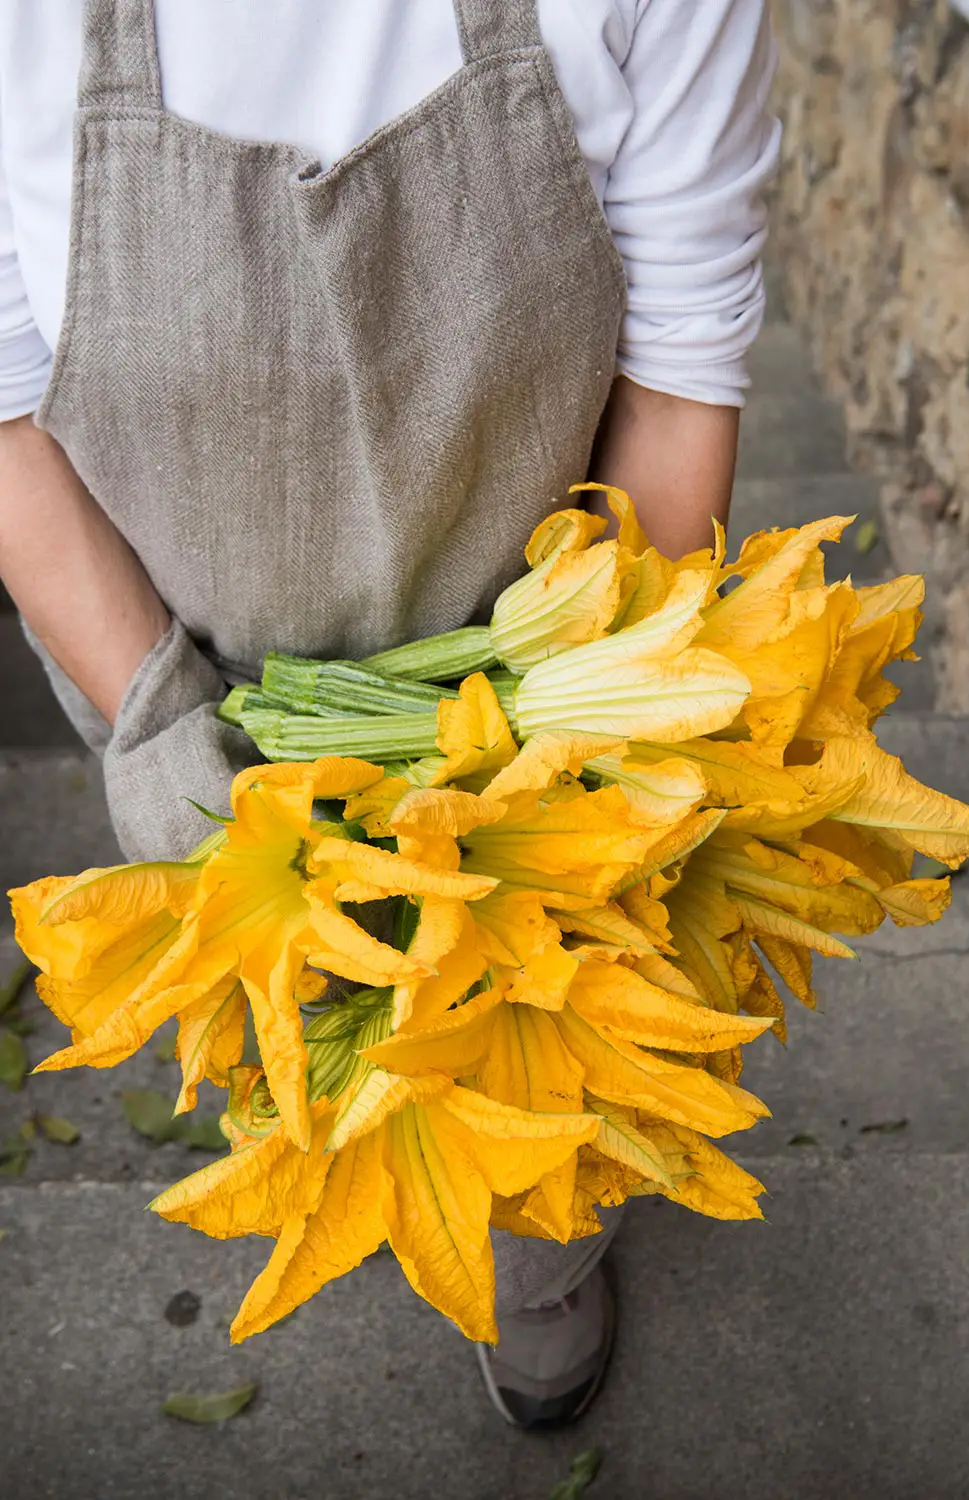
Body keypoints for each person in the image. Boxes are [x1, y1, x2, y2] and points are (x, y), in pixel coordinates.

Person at [0, 0, 779, 1431]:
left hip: (540, 713)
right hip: (182, 682)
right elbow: (3, 419)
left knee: (555, 1086)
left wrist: (578, 773)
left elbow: (680, 378)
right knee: (298, 1054)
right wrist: (166, 728)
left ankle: (546, 1251)